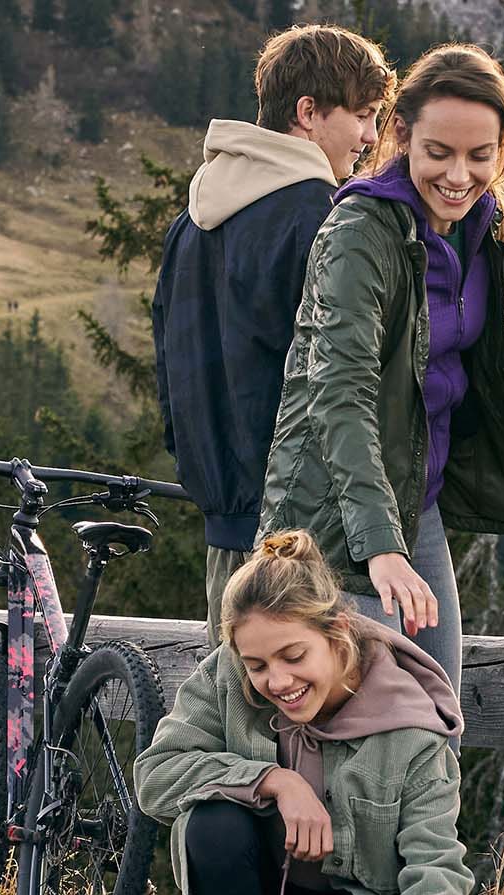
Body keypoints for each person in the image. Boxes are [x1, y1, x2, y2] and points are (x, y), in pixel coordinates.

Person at [260, 42, 504, 694]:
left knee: (437, 721)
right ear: (400, 135)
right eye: (439, 153)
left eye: (479, 155)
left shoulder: (480, 226)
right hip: (328, 515)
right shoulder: (360, 230)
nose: (458, 174)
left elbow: (445, 330)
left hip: (414, 505)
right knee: (362, 741)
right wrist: (379, 546)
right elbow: (339, 393)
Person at [132, 530, 472, 895]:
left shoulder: (411, 729)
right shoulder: (226, 682)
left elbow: (437, 866)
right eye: (257, 664)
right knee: (208, 825)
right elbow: (156, 775)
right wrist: (274, 781)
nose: (277, 681)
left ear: (338, 635)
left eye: (294, 657)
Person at [149, 24, 395, 648]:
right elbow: (339, 378)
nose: (371, 137)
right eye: (363, 115)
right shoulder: (320, 219)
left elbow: (167, 361)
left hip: (223, 523)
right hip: (302, 540)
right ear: (308, 113)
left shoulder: (193, 221)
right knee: (313, 727)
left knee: (239, 718)